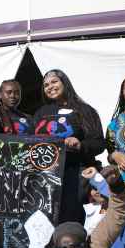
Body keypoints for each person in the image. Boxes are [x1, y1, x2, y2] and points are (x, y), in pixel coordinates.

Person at [33, 69, 104, 224]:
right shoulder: (40, 113)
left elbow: (99, 142)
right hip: (46, 177)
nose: (50, 87)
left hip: (76, 174)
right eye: (46, 85)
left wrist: (80, 145)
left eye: (54, 82)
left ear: (65, 83)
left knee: (72, 219)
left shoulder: (85, 110)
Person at [0, 79, 37, 248]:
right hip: (3, 180)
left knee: (24, 225)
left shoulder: (27, 119)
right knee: (7, 227)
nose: (13, 96)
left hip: (26, 179)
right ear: (0, 93)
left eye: (16, 93)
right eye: (9, 92)